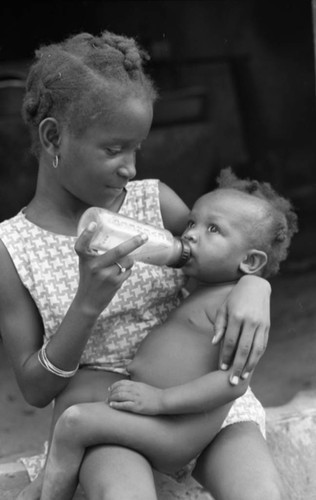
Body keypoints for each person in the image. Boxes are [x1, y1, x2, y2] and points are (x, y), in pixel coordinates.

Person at [0, 30, 277, 500]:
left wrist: (257, 289)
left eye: (137, 148)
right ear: (53, 136)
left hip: (205, 406)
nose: (130, 166)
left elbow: (231, 255)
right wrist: (86, 304)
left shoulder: (156, 204)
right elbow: (34, 387)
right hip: (111, 414)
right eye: (113, 149)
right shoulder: (13, 248)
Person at [40, 168, 297, 500]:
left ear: (250, 261)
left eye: (213, 229)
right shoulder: (202, 289)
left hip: (176, 429)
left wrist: (161, 401)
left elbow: (234, 382)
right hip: (160, 418)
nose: (190, 235)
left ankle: (44, 492)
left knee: (74, 423)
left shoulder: (233, 304)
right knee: (75, 399)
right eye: (191, 223)